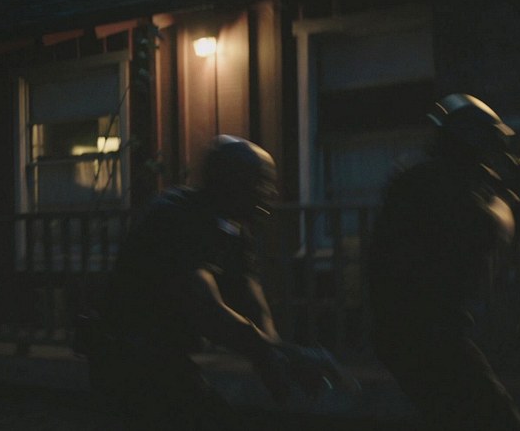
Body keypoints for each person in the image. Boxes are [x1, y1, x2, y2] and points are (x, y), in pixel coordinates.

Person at [85, 135, 343, 429]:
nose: (271, 193)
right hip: (127, 358)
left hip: (162, 357)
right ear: (231, 184)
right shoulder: (175, 216)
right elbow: (207, 309)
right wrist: (284, 354)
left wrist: (271, 357)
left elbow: (251, 298)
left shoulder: (232, 229)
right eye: (262, 182)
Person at [366, 94, 520, 430]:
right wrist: (506, 200)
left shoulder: (423, 177)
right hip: (426, 332)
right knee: (499, 419)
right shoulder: (440, 182)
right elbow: (489, 229)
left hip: (408, 329)